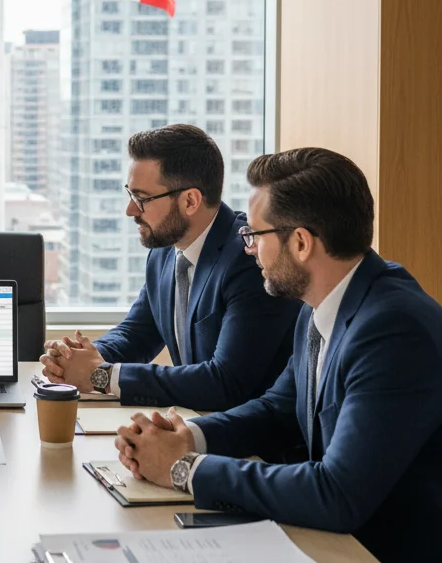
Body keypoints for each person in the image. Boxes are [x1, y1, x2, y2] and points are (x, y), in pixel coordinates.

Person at [114, 148, 442, 563]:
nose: (247, 248)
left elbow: (337, 493)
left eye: (253, 234)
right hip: (340, 549)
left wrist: (184, 469)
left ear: (302, 243)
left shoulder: (392, 329)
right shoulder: (320, 304)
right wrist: (187, 437)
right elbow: (278, 409)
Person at [41, 125, 299, 411]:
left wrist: (101, 375)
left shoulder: (249, 260)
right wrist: (79, 358)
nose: (130, 210)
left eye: (142, 198)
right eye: (130, 194)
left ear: (190, 201)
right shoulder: (165, 249)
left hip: (253, 444)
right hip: (196, 422)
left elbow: (225, 382)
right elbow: (138, 333)